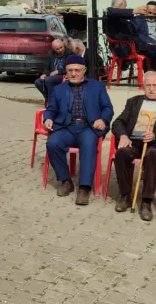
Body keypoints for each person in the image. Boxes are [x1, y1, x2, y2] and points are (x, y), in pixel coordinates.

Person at [110, 71, 156, 221]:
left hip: (154, 144)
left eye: (155, 85)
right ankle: (125, 195)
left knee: (152, 155)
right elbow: (118, 122)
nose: (151, 89)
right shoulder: (133, 102)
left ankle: (147, 201)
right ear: (143, 87)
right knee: (121, 153)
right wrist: (123, 136)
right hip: (133, 142)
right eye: (148, 85)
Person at [42, 55, 112, 204]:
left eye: (77, 70)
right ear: (66, 71)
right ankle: (66, 181)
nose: (73, 74)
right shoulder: (58, 89)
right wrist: (47, 118)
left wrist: (103, 120)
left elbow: (107, 108)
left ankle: (84, 187)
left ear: (84, 70)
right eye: (70, 70)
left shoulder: (97, 87)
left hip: (89, 127)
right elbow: (51, 109)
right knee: (52, 143)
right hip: (66, 127)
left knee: (88, 144)